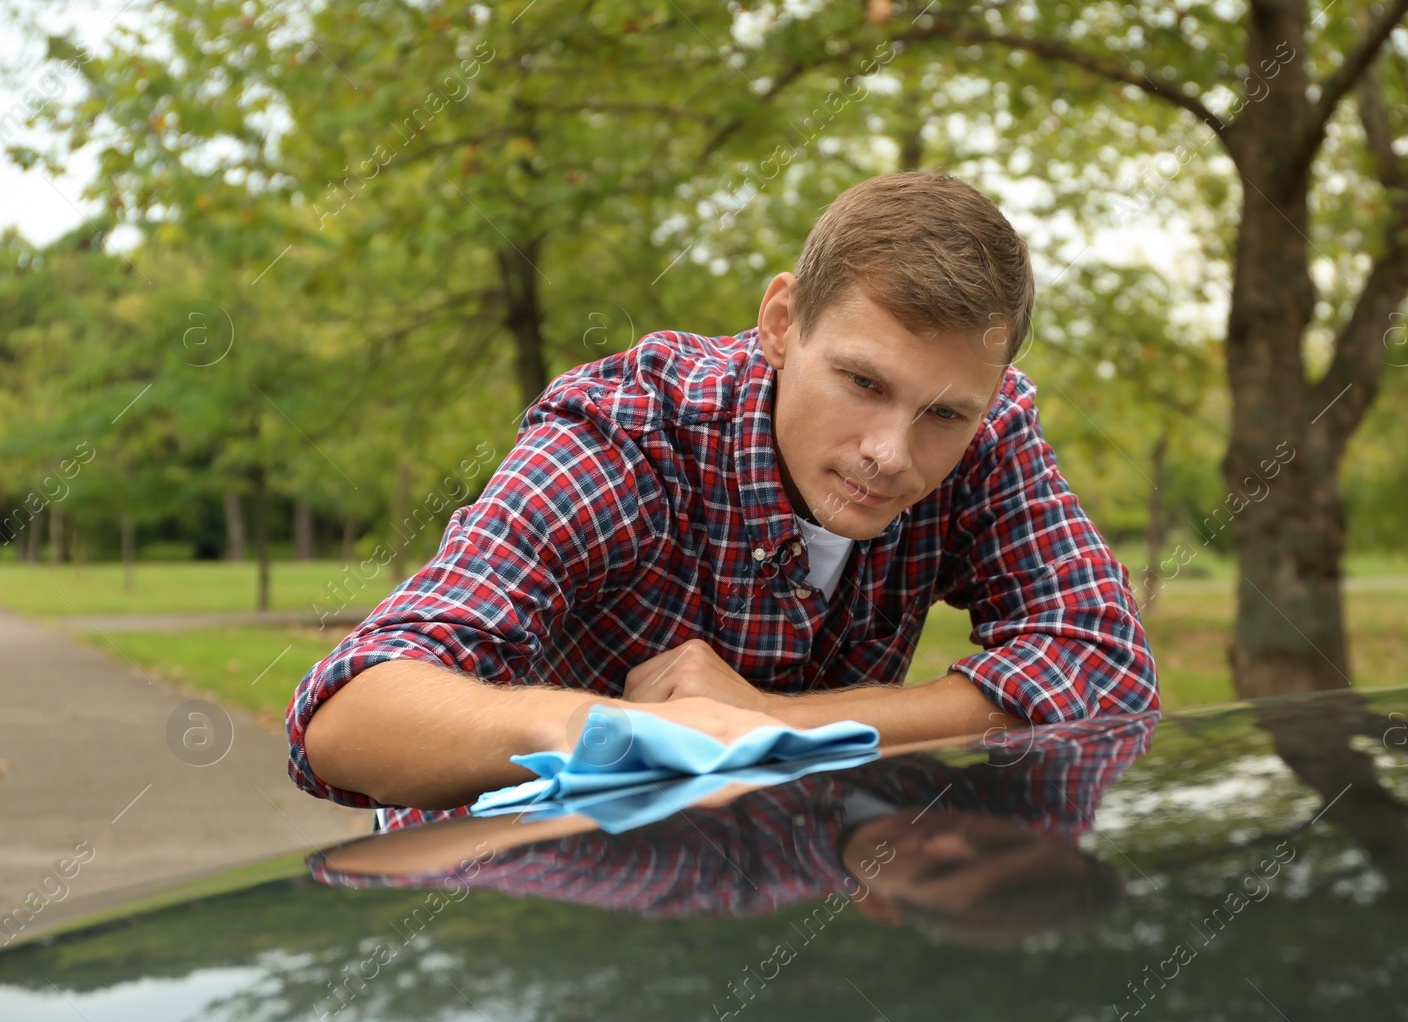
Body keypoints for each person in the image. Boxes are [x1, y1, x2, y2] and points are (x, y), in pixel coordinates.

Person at [285, 170, 1161, 831]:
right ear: (782, 323)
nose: (891, 453)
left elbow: (1104, 665)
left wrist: (776, 723)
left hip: (784, 907)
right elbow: (345, 715)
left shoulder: (987, 429)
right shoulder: (625, 438)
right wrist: (627, 735)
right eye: (861, 381)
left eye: (943, 414)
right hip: (519, 911)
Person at [310, 711, 1160, 947]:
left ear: (878, 905)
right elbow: (1101, 702)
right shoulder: (959, 787)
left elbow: (487, 855)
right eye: (996, 839)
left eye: (936, 873)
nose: (947, 839)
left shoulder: (725, 872)